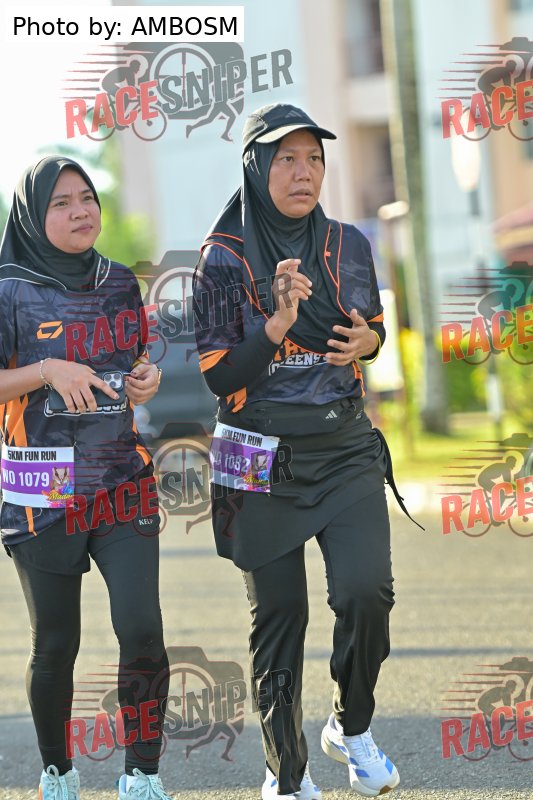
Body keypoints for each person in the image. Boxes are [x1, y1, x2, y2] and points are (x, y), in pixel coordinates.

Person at [194, 103, 406, 798]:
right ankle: (285, 773)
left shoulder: (349, 244)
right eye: (286, 158)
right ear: (256, 167)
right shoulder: (221, 259)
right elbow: (220, 376)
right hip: (255, 454)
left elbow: (371, 327)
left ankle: (352, 725)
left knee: (366, 593)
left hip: (343, 445)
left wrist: (370, 343)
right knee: (280, 617)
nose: (303, 172)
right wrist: (277, 323)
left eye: (313, 158)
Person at [0, 157, 172, 800]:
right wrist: (48, 369)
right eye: (61, 202)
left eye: (87, 198)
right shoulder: (7, 288)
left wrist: (145, 378)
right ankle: (58, 772)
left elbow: (133, 363)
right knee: (56, 643)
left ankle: (143, 775)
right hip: (41, 488)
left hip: (122, 476)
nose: (81, 212)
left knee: (143, 630)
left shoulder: (120, 282)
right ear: (32, 216)